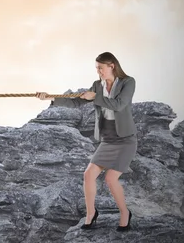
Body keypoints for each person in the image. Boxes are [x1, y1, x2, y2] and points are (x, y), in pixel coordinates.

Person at [36, 52, 137, 232]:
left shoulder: (128, 82)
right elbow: (77, 103)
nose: (98, 71)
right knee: (89, 174)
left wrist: (94, 97)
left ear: (111, 66)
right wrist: (51, 98)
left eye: (100, 68)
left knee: (111, 179)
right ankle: (91, 213)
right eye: (96, 68)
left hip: (125, 139)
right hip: (108, 138)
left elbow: (119, 104)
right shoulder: (97, 85)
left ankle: (124, 213)